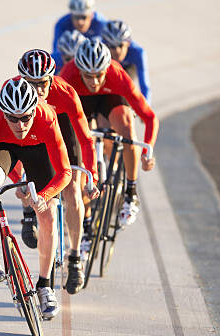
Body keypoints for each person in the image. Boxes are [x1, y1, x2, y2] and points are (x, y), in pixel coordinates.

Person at [0, 77, 72, 319]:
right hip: (3, 145)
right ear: (2, 112)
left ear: (34, 110)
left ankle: (45, 285)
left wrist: (44, 195)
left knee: (48, 213)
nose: (20, 125)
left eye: (26, 118)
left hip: (38, 147)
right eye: (13, 118)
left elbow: (65, 172)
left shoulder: (46, 118)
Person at [16, 49, 100, 294]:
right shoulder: (18, 95)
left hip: (64, 130)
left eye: (43, 83)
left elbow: (85, 138)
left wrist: (91, 174)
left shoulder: (65, 93)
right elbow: (11, 141)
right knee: (34, 180)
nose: (38, 89)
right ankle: (29, 215)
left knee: (72, 187)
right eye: (32, 84)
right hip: (37, 128)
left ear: (51, 78)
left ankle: (75, 257)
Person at [59, 37, 158, 232]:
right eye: (88, 75)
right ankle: (85, 224)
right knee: (76, 162)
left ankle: (131, 192)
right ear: (79, 70)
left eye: (99, 75)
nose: (94, 81)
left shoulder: (116, 73)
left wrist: (148, 150)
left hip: (109, 98)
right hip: (80, 103)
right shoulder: (68, 75)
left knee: (126, 124)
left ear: (107, 69)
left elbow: (150, 117)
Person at [51, 0, 107, 72]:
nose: (80, 22)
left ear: (91, 15)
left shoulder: (101, 23)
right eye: (76, 17)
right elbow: (57, 52)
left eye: (84, 17)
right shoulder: (62, 24)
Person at [102, 19, 151, 104]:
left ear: (128, 43)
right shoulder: (101, 50)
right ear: (105, 45)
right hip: (108, 68)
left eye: (120, 45)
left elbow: (144, 86)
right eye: (112, 46)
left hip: (128, 69)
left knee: (125, 90)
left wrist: (146, 111)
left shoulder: (138, 53)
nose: (117, 51)